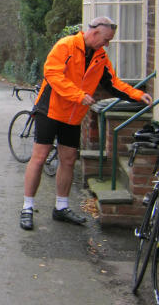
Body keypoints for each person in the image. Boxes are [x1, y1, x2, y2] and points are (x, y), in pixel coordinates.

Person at [20, 16, 153, 230]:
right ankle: (27, 207)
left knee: (69, 159)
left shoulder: (100, 57)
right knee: (39, 158)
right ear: (94, 32)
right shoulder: (66, 45)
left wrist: (138, 95)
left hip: (73, 115)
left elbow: (113, 83)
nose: (107, 44)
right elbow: (52, 74)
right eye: (106, 39)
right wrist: (78, 95)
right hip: (51, 110)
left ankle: (61, 208)